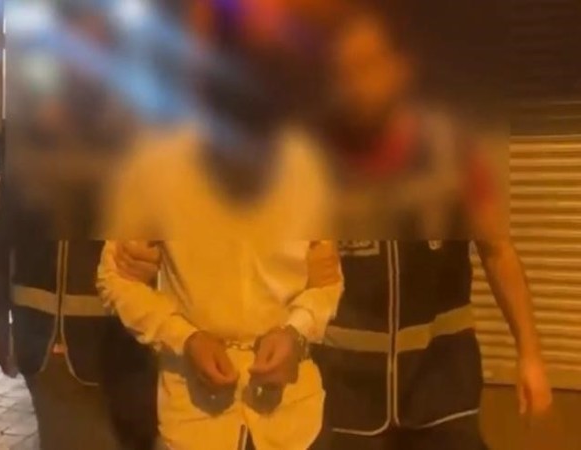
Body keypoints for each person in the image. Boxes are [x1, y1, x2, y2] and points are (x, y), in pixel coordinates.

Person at [112, 6, 554, 450]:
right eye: (344, 71)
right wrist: (149, 254)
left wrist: (530, 355)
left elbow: (498, 251)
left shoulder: (452, 154)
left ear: (404, 69)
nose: (357, 84)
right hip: (349, 395)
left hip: (443, 388)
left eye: (370, 65)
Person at [96, 3, 344, 449]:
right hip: (194, 418)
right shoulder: (155, 167)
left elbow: (327, 281)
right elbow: (115, 278)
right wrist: (184, 338)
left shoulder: (306, 168)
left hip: (293, 421)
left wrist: (296, 331)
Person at [0, 3, 157, 449]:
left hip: (118, 346)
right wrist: (2, 324)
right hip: (42, 341)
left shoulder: (137, 139)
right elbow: (3, 235)